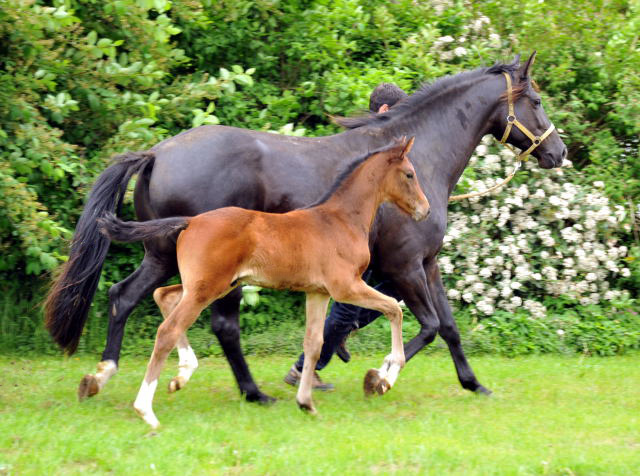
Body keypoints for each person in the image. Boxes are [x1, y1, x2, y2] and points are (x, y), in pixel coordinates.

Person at [284, 83, 409, 390]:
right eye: (401, 113)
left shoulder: (371, 144)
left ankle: (335, 339)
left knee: (386, 289)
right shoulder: (369, 147)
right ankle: (304, 369)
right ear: (385, 112)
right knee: (347, 305)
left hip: (360, 238)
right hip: (348, 242)